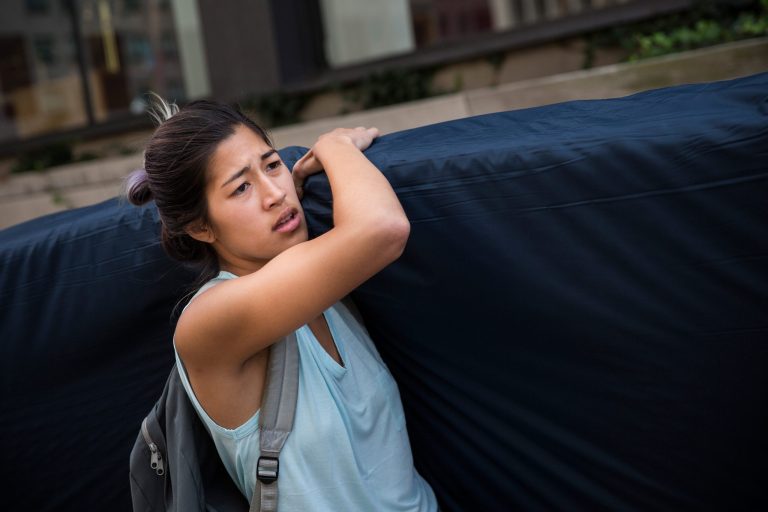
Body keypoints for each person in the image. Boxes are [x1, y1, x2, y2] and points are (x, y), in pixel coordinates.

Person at [125, 97, 438, 511]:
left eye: (273, 165)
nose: (275, 194)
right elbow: (383, 228)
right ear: (200, 227)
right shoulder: (207, 321)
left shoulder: (326, 283)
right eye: (241, 188)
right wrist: (335, 146)